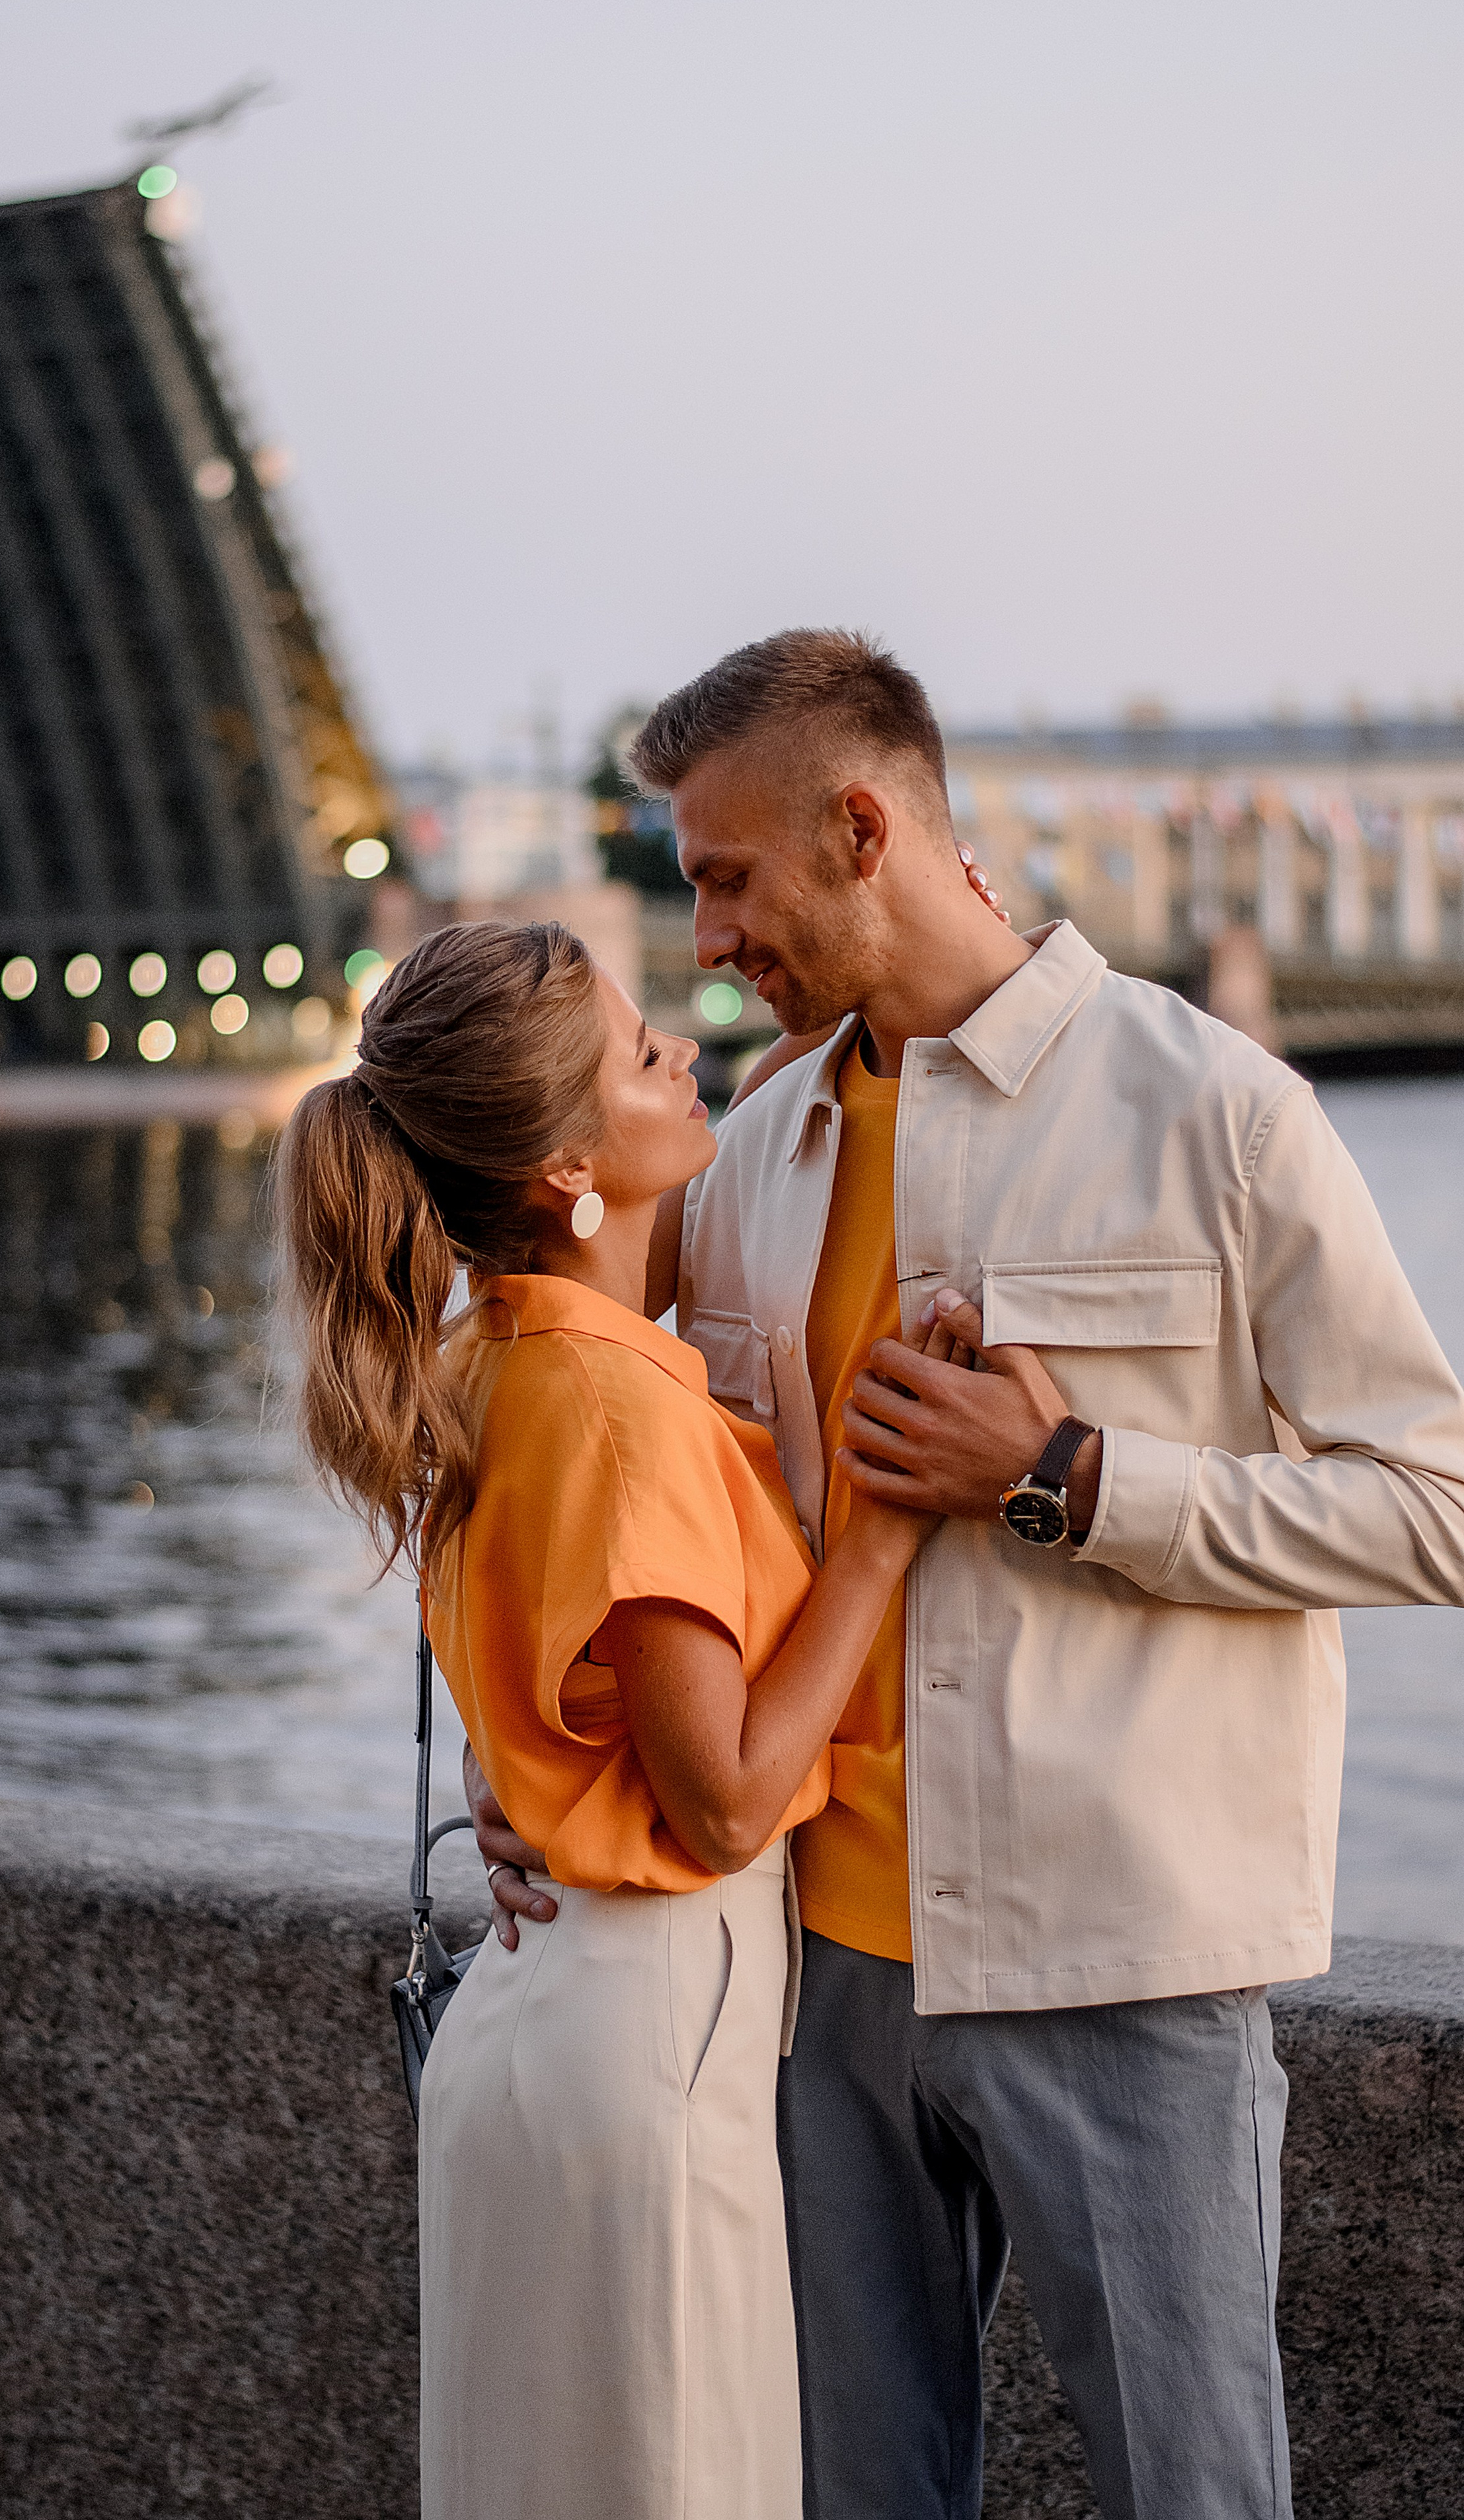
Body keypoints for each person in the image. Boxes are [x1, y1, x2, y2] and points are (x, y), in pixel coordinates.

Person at [472, 629, 1464, 2520]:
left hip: (1125, 1967)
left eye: (726, 877)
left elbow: (1439, 1505)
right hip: (806, 1983)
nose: (708, 940)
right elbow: (569, 1471)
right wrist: (514, 1777)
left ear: (862, 827)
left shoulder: (1218, 1112)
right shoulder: (746, 1157)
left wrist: (1072, 1480)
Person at [276, 917, 1018, 2520]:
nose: (680, 1050)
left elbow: (563, 1693)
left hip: (547, 2019)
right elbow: (730, 1801)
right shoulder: (621, 1413)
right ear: (562, 1165)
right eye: (636, 1052)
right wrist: (884, 1534)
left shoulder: (494, 1365)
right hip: (652, 2045)